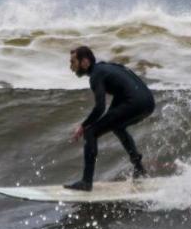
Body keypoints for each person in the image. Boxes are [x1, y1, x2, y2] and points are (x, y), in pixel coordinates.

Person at [65, 46, 155, 191]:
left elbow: (100, 108)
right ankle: (139, 169)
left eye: (73, 62)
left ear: (85, 62)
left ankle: (86, 182)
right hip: (148, 102)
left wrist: (83, 126)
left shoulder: (96, 75)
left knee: (91, 132)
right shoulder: (106, 68)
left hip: (134, 102)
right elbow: (122, 92)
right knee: (117, 126)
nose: (71, 67)